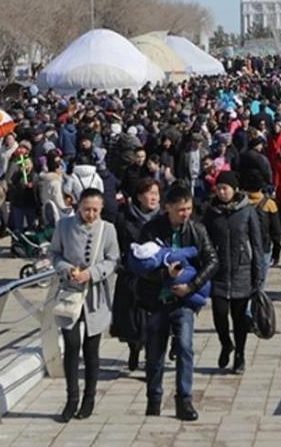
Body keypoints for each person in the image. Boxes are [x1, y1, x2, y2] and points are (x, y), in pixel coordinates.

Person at [135, 183, 216, 421]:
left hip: (185, 299)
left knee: (185, 347)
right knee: (155, 352)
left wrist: (192, 286)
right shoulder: (151, 230)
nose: (186, 213)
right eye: (181, 209)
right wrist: (165, 275)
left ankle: (184, 400)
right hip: (157, 299)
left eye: (189, 208)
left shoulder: (197, 230)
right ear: (167, 207)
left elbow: (212, 261)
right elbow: (139, 265)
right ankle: (154, 398)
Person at [50, 188, 121, 422]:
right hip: (71, 294)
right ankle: (71, 397)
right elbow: (55, 254)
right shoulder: (64, 226)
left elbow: (113, 260)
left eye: (95, 210)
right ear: (78, 206)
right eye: (86, 209)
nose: (90, 214)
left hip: (96, 296)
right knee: (71, 345)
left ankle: (89, 398)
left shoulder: (107, 229)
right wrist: (66, 269)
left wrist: (92, 273)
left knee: (91, 349)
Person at [204, 171, 265, 374]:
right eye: (219, 188)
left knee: (239, 319)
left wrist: (259, 275)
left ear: (234, 189)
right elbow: (205, 242)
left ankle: (240, 354)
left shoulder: (247, 212)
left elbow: (257, 245)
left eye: (225, 188)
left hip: (242, 272)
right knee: (220, 315)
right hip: (219, 272)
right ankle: (225, 343)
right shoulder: (211, 212)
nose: (222, 192)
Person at [112, 178, 160, 371]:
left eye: (156, 193)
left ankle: (150, 362)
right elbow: (116, 245)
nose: (154, 197)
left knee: (153, 323)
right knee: (132, 321)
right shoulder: (124, 218)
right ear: (139, 196)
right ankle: (134, 348)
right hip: (131, 277)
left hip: (156, 277)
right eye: (150, 193)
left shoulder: (163, 218)